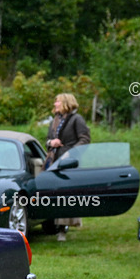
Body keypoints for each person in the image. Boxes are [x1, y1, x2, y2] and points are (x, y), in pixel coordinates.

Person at [45, 93, 91, 241]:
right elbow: (48, 140)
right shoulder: (55, 120)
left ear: (65, 102)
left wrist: (71, 153)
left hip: (69, 163)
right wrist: (51, 143)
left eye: (57, 101)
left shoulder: (77, 119)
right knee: (54, 194)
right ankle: (53, 225)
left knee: (66, 195)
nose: (55, 104)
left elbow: (85, 139)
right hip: (53, 161)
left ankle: (62, 229)